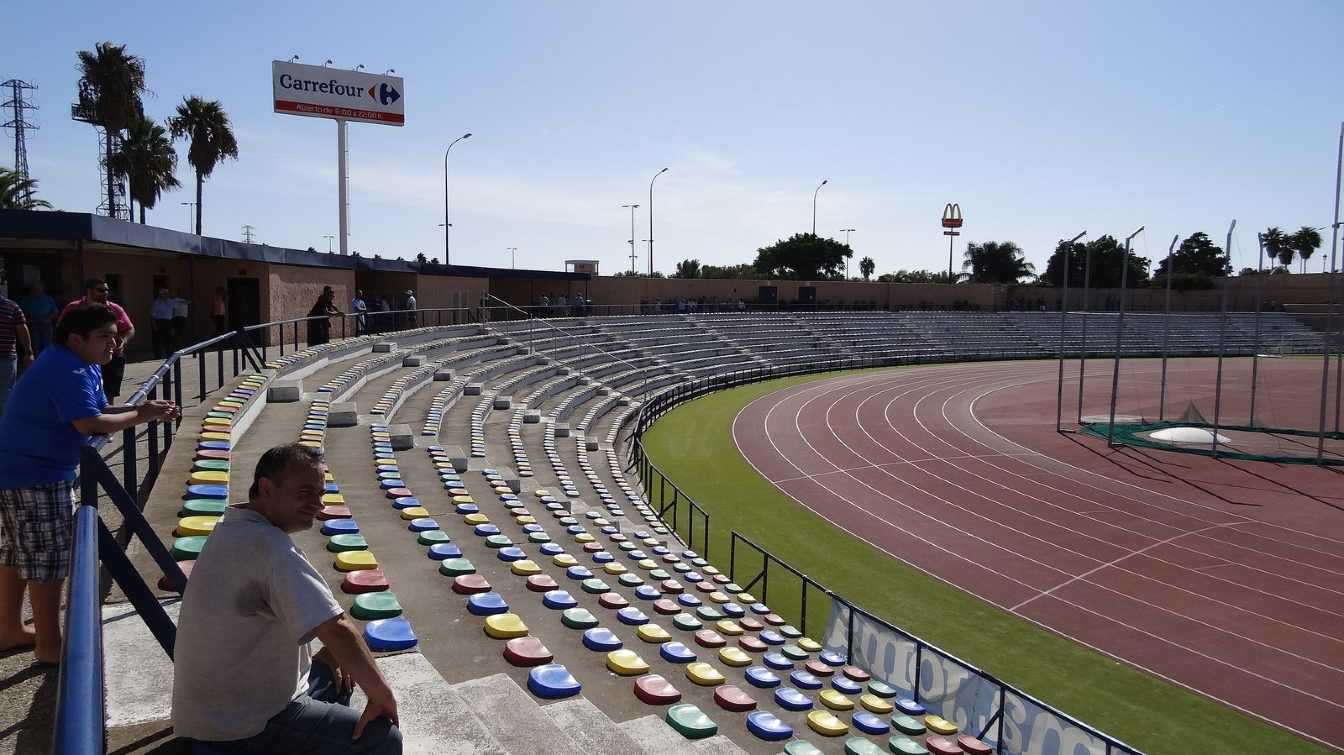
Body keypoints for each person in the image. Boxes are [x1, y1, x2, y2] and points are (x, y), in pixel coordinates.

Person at [172, 443, 401, 754]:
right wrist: (383, 695)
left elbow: (328, 627)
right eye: (305, 493)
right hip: (244, 726)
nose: (317, 505)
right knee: (382, 737)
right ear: (266, 488)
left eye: (320, 495)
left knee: (337, 666)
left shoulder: (232, 527)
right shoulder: (270, 548)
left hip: (213, 712)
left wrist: (337, 654)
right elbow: (337, 627)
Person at [0, 305, 179, 664]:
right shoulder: (65, 367)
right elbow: (90, 424)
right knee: (48, 563)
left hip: (19, 471)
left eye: (115, 336)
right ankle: (49, 646)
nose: (114, 343)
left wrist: (146, 408)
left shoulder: (79, 364)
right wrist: (142, 415)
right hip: (37, 476)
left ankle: (8, 630)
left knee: (17, 554)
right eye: (104, 336)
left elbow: (99, 411)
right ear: (75, 338)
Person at [59, 279, 135, 402]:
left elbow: (129, 329)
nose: (105, 293)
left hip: (110, 357)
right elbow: (61, 330)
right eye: (100, 290)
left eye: (107, 290)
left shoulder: (115, 309)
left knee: (108, 394)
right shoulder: (74, 308)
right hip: (82, 358)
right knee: (83, 393)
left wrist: (124, 340)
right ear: (89, 291)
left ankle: (107, 417)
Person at [0, 296, 33, 416]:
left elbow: (22, 331)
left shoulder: (13, 307)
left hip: (6, 359)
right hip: (6, 358)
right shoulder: (12, 307)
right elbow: (22, 331)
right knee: (4, 394)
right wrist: (28, 352)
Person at [19, 284, 57, 355]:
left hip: (46, 325)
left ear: (42, 290)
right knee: (35, 345)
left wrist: (48, 318)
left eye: (39, 289)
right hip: (33, 325)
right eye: (35, 289)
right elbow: (20, 312)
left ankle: (47, 362)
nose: (37, 291)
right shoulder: (26, 299)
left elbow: (55, 311)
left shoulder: (48, 299)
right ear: (31, 290)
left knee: (47, 345)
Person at [151, 288, 175, 359]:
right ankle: (157, 355)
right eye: (164, 293)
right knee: (158, 340)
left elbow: (173, 313)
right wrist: (154, 325)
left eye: (166, 293)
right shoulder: (156, 303)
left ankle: (169, 354)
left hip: (169, 322)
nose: (165, 295)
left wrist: (172, 325)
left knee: (169, 339)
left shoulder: (170, 302)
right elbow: (152, 315)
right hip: (159, 322)